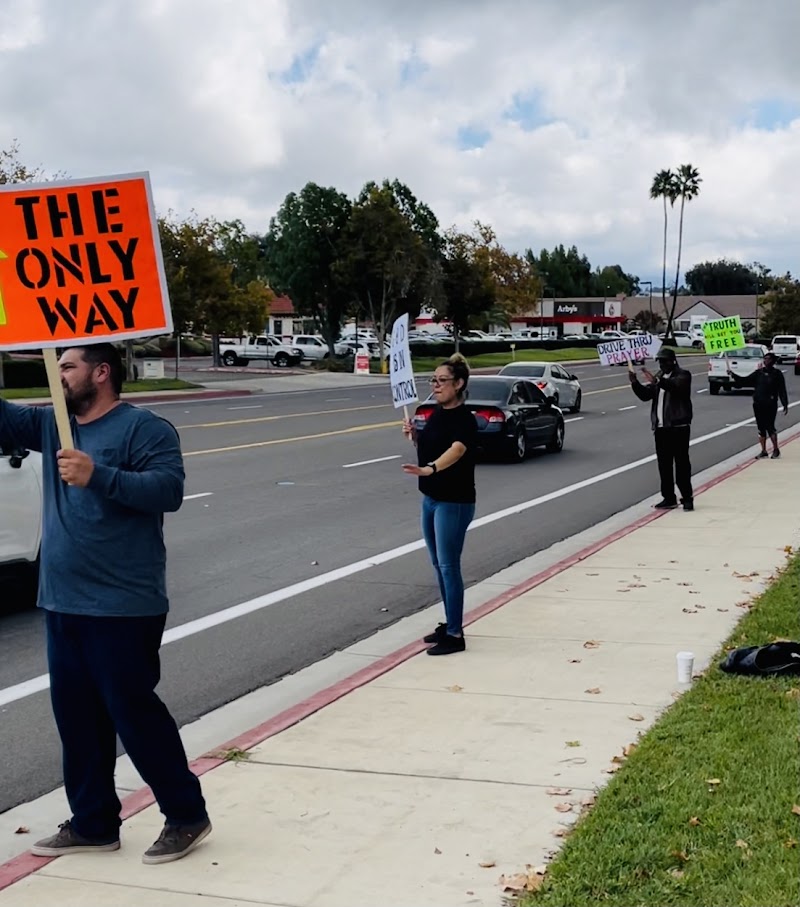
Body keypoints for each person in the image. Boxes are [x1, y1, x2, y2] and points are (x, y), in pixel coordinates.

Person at [0, 343, 210, 864]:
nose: (60, 376)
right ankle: (94, 821)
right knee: (77, 721)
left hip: (122, 604)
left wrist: (99, 475)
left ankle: (186, 814)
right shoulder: (52, 425)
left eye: (67, 367)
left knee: (134, 715)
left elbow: (167, 491)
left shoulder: (145, 428)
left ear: (101, 372)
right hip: (62, 601)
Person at [402, 353, 477, 655]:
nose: (435, 385)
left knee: (449, 566)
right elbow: (430, 445)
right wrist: (414, 437)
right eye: (433, 380)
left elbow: (457, 450)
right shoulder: (434, 413)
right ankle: (448, 623)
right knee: (438, 565)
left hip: (454, 502)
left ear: (458, 384)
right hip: (430, 499)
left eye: (442, 380)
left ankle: (456, 635)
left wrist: (429, 469)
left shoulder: (465, 420)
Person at [628, 347, 694, 511]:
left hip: (678, 427)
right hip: (661, 429)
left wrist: (659, 382)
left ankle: (687, 497)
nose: (662, 365)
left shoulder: (683, 375)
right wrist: (634, 383)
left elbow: (676, 387)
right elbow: (645, 395)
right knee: (664, 466)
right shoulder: (659, 377)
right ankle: (668, 497)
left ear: (673, 361)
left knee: (681, 464)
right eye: (660, 361)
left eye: (665, 361)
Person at [727, 352, 789, 459]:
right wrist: (733, 374)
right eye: (765, 359)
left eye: (768, 359)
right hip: (758, 404)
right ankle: (763, 450)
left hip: (770, 404)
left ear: (773, 361)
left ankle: (775, 449)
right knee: (761, 428)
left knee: (770, 427)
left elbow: (782, 390)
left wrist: (785, 404)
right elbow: (745, 380)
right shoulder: (758, 373)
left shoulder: (777, 374)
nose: (766, 361)